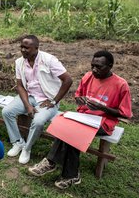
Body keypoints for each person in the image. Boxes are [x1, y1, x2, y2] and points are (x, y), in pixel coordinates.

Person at [28, 50, 132, 189]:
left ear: (110, 66)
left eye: (99, 67)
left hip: (104, 122)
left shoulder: (121, 85)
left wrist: (103, 108)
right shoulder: (88, 76)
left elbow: (125, 114)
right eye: (92, 65)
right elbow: (78, 98)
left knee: (73, 132)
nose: (94, 69)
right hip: (83, 117)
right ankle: (68, 173)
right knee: (63, 122)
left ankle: (54, 164)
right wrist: (80, 100)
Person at [2, 35, 73, 164]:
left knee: (39, 121)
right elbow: (20, 85)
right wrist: (28, 105)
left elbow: (68, 80)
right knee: (7, 112)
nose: (23, 50)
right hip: (29, 96)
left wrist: (54, 101)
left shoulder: (49, 60)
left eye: (26, 48)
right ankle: (18, 142)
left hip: (47, 100)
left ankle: (27, 149)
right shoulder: (19, 62)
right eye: (21, 47)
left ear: (36, 48)